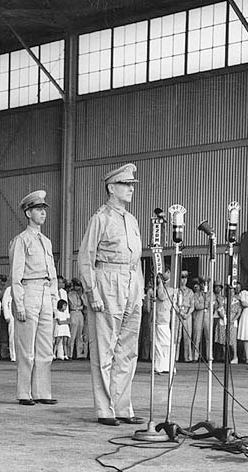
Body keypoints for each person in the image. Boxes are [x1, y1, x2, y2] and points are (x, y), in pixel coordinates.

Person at [77, 163, 144, 427]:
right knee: (104, 350)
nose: (130, 189)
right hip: (107, 282)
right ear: (111, 188)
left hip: (130, 283)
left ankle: (122, 406)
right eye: (125, 185)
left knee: (127, 350)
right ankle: (105, 408)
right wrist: (92, 291)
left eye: (131, 185)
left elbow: (136, 259)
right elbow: (86, 258)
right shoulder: (100, 219)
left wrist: (138, 290)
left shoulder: (132, 220)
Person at [8, 190, 58, 406]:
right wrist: (18, 303)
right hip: (29, 291)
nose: (42, 213)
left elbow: (53, 274)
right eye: (38, 210)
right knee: (26, 348)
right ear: (28, 213)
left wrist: (54, 300)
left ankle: (42, 392)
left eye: (44, 210)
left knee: (45, 347)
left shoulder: (46, 242)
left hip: (45, 292)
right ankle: (24, 393)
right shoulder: (21, 240)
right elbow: (16, 275)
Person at [153, 268, 175, 374]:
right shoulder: (159, 286)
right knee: (158, 345)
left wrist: (161, 283)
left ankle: (167, 366)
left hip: (164, 320)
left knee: (166, 344)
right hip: (158, 319)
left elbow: (161, 296)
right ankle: (159, 366)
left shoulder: (170, 287)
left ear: (168, 272)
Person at [192, 279, 212, 362]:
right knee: (197, 336)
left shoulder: (210, 294)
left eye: (206, 284)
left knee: (208, 337)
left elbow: (212, 305)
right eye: (203, 284)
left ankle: (209, 356)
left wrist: (205, 305)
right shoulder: (196, 294)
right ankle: (195, 356)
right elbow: (196, 305)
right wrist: (204, 305)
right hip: (198, 315)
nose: (204, 286)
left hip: (207, 316)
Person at [67, 279, 87, 360]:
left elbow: (85, 304)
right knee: (73, 334)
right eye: (76, 286)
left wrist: (81, 295)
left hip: (80, 313)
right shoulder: (70, 294)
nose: (78, 287)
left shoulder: (82, 295)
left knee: (80, 334)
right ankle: (70, 353)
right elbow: (73, 304)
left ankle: (80, 354)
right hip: (73, 313)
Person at [0, 281, 16, 361]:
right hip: (12, 315)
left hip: (23, 315)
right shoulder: (9, 289)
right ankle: (13, 355)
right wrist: (7, 315)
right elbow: (5, 303)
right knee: (12, 336)